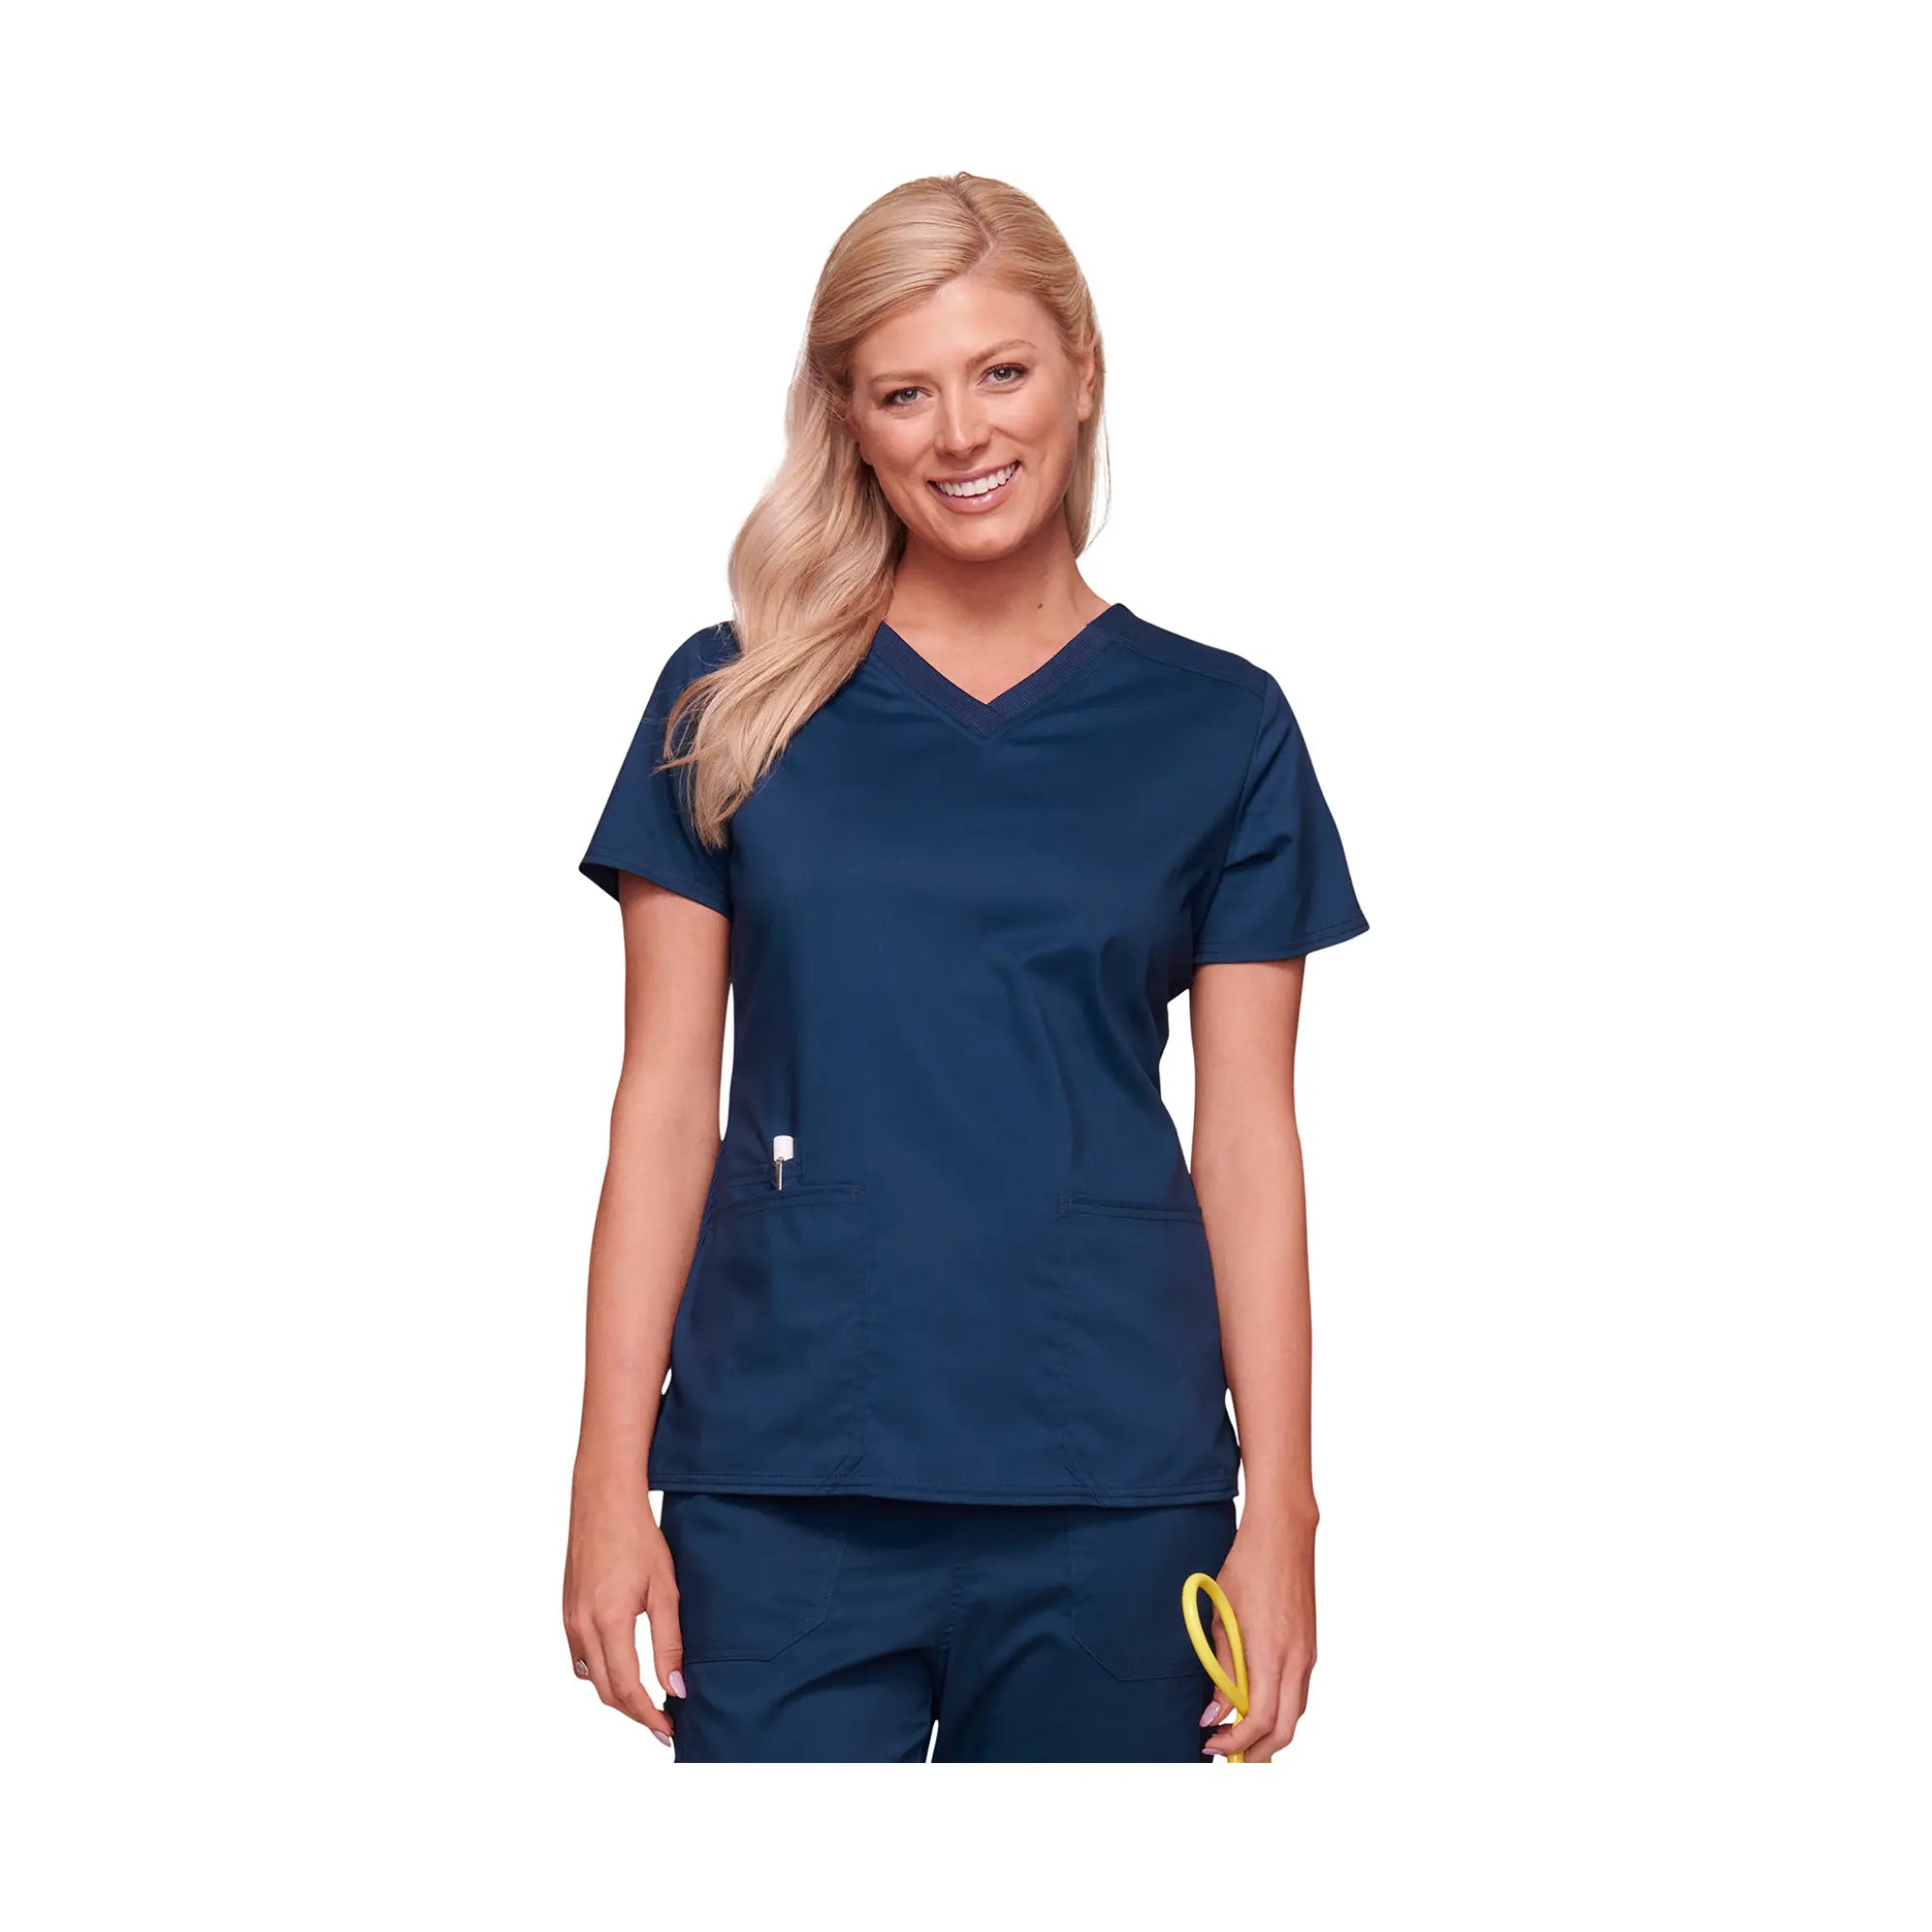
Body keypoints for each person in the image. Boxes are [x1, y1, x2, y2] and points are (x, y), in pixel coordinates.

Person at [562, 172, 1370, 1763]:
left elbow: (1248, 1141)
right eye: (904, 393)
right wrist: (604, 1482)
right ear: (848, 422)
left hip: (1112, 1480)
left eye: (1002, 372)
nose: (961, 433)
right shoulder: (729, 701)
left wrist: (1284, 1511)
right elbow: (660, 1110)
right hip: (782, 1477)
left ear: (1082, 371)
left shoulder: (1221, 727)